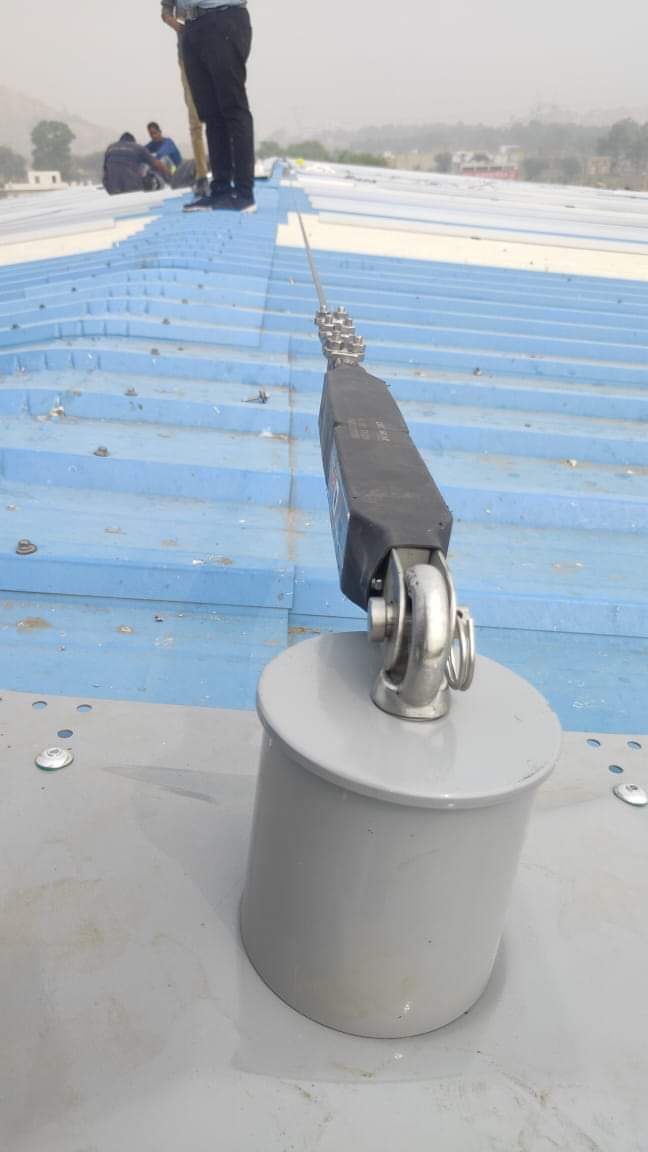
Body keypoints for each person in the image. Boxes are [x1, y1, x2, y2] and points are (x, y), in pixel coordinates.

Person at [160, 1, 256, 213]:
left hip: (222, 18)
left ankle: (244, 194)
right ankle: (220, 191)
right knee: (211, 114)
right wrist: (167, 12)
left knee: (234, 108)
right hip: (191, 26)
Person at [159, 7, 211, 198]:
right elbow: (166, 11)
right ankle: (202, 176)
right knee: (195, 120)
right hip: (187, 55)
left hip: (215, 50)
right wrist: (179, 26)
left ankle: (226, 169)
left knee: (221, 114)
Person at [103, 133, 169, 195]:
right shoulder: (138, 148)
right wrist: (169, 174)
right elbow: (157, 164)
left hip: (112, 188)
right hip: (132, 188)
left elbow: (105, 170)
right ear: (133, 141)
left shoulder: (110, 148)